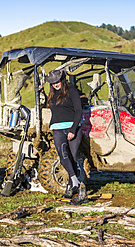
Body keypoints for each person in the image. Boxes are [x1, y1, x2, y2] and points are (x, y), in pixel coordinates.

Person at [44, 70, 83, 198]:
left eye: (57, 81)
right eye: (53, 82)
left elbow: (78, 111)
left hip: (73, 128)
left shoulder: (72, 91)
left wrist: (72, 130)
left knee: (72, 157)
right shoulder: (52, 95)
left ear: (62, 80)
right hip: (57, 128)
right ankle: (76, 182)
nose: (56, 84)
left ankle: (70, 187)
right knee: (63, 156)